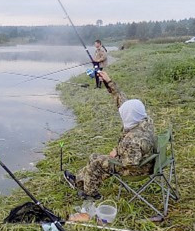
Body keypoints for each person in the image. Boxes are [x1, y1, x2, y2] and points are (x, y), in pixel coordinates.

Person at [64, 71, 156, 199]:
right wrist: (108, 81)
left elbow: (130, 164)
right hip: (145, 159)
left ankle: (90, 194)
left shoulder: (132, 140)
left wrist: (117, 152)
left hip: (137, 169)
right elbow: (123, 101)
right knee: (95, 157)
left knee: (97, 162)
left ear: (130, 116)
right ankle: (79, 181)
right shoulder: (144, 121)